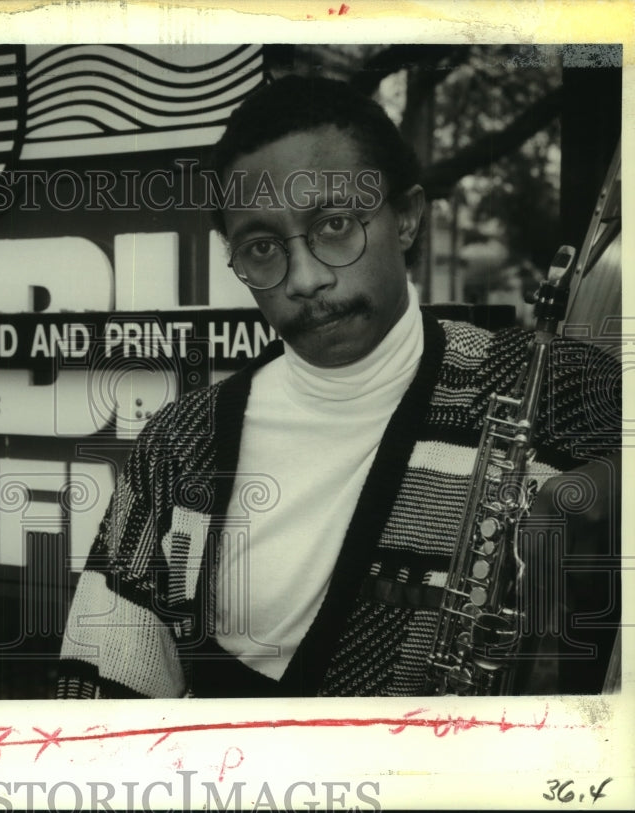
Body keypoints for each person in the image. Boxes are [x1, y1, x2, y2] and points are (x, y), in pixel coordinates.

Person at [56, 75, 621, 698]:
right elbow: (101, 697)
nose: (304, 278)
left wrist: (616, 484)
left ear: (405, 219)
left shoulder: (556, 387)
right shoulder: (181, 444)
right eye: (263, 247)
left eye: (334, 226)